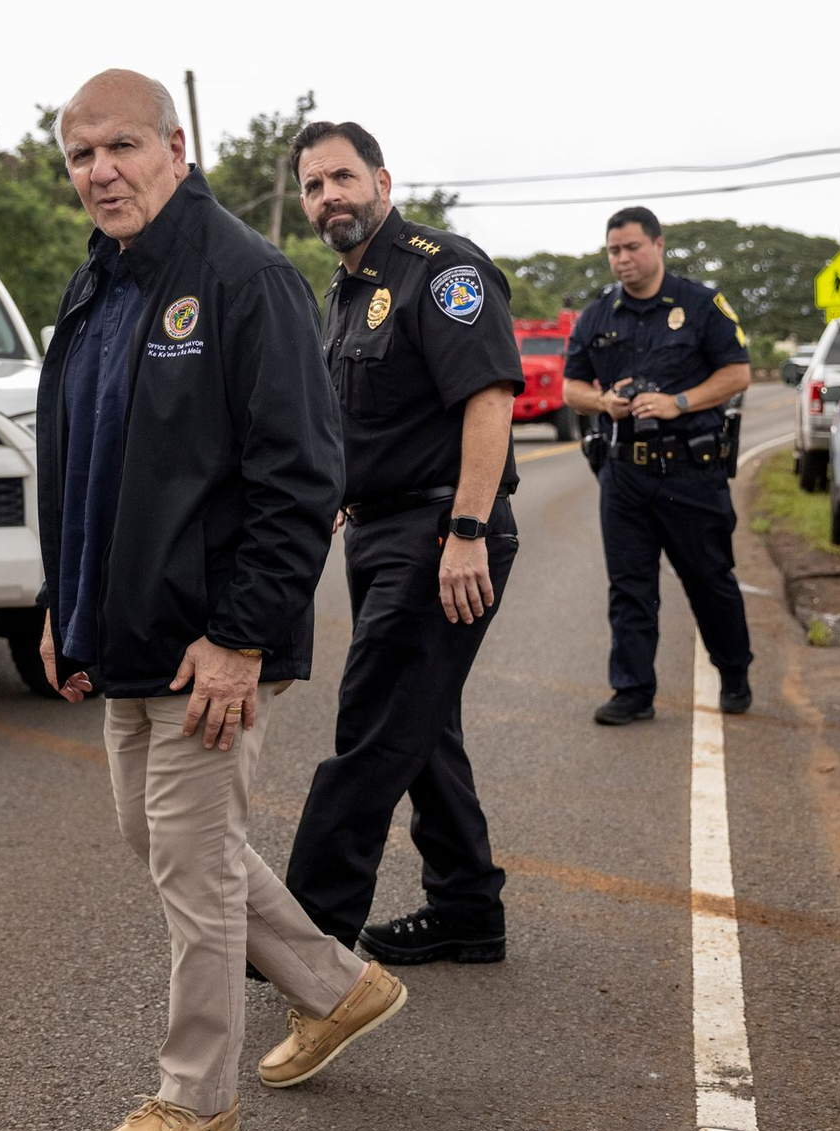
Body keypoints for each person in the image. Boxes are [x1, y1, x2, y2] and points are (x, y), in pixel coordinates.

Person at [35, 73, 406, 1131]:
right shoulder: (95, 287)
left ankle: (194, 1095)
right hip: (124, 628)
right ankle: (342, 988)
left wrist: (243, 634)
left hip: (213, 642)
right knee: (158, 842)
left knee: (194, 868)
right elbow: (81, 463)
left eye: (120, 147)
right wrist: (65, 602)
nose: (100, 171)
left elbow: (302, 475)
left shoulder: (244, 277)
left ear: (175, 145)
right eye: (79, 155)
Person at [282, 121, 523, 969]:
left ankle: (305, 935)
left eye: (342, 178)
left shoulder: (441, 268)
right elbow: (360, 416)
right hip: (381, 527)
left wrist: (465, 531)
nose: (328, 198)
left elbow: (487, 398)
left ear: (382, 178)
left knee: (375, 722)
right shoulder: (341, 293)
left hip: (440, 531)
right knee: (423, 724)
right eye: (313, 187)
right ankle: (466, 909)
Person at [562, 206, 753, 725]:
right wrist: (604, 404)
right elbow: (571, 388)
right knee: (629, 587)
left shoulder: (700, 303)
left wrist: (679, 402)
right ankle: (633, 690)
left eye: (631, 248)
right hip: (624, 474)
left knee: (709, 579)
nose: (622, 259)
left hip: (690, 470)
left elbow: (737, 374)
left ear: (658, 245)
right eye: (613, 251)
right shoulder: (597, 315)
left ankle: (734, 670)